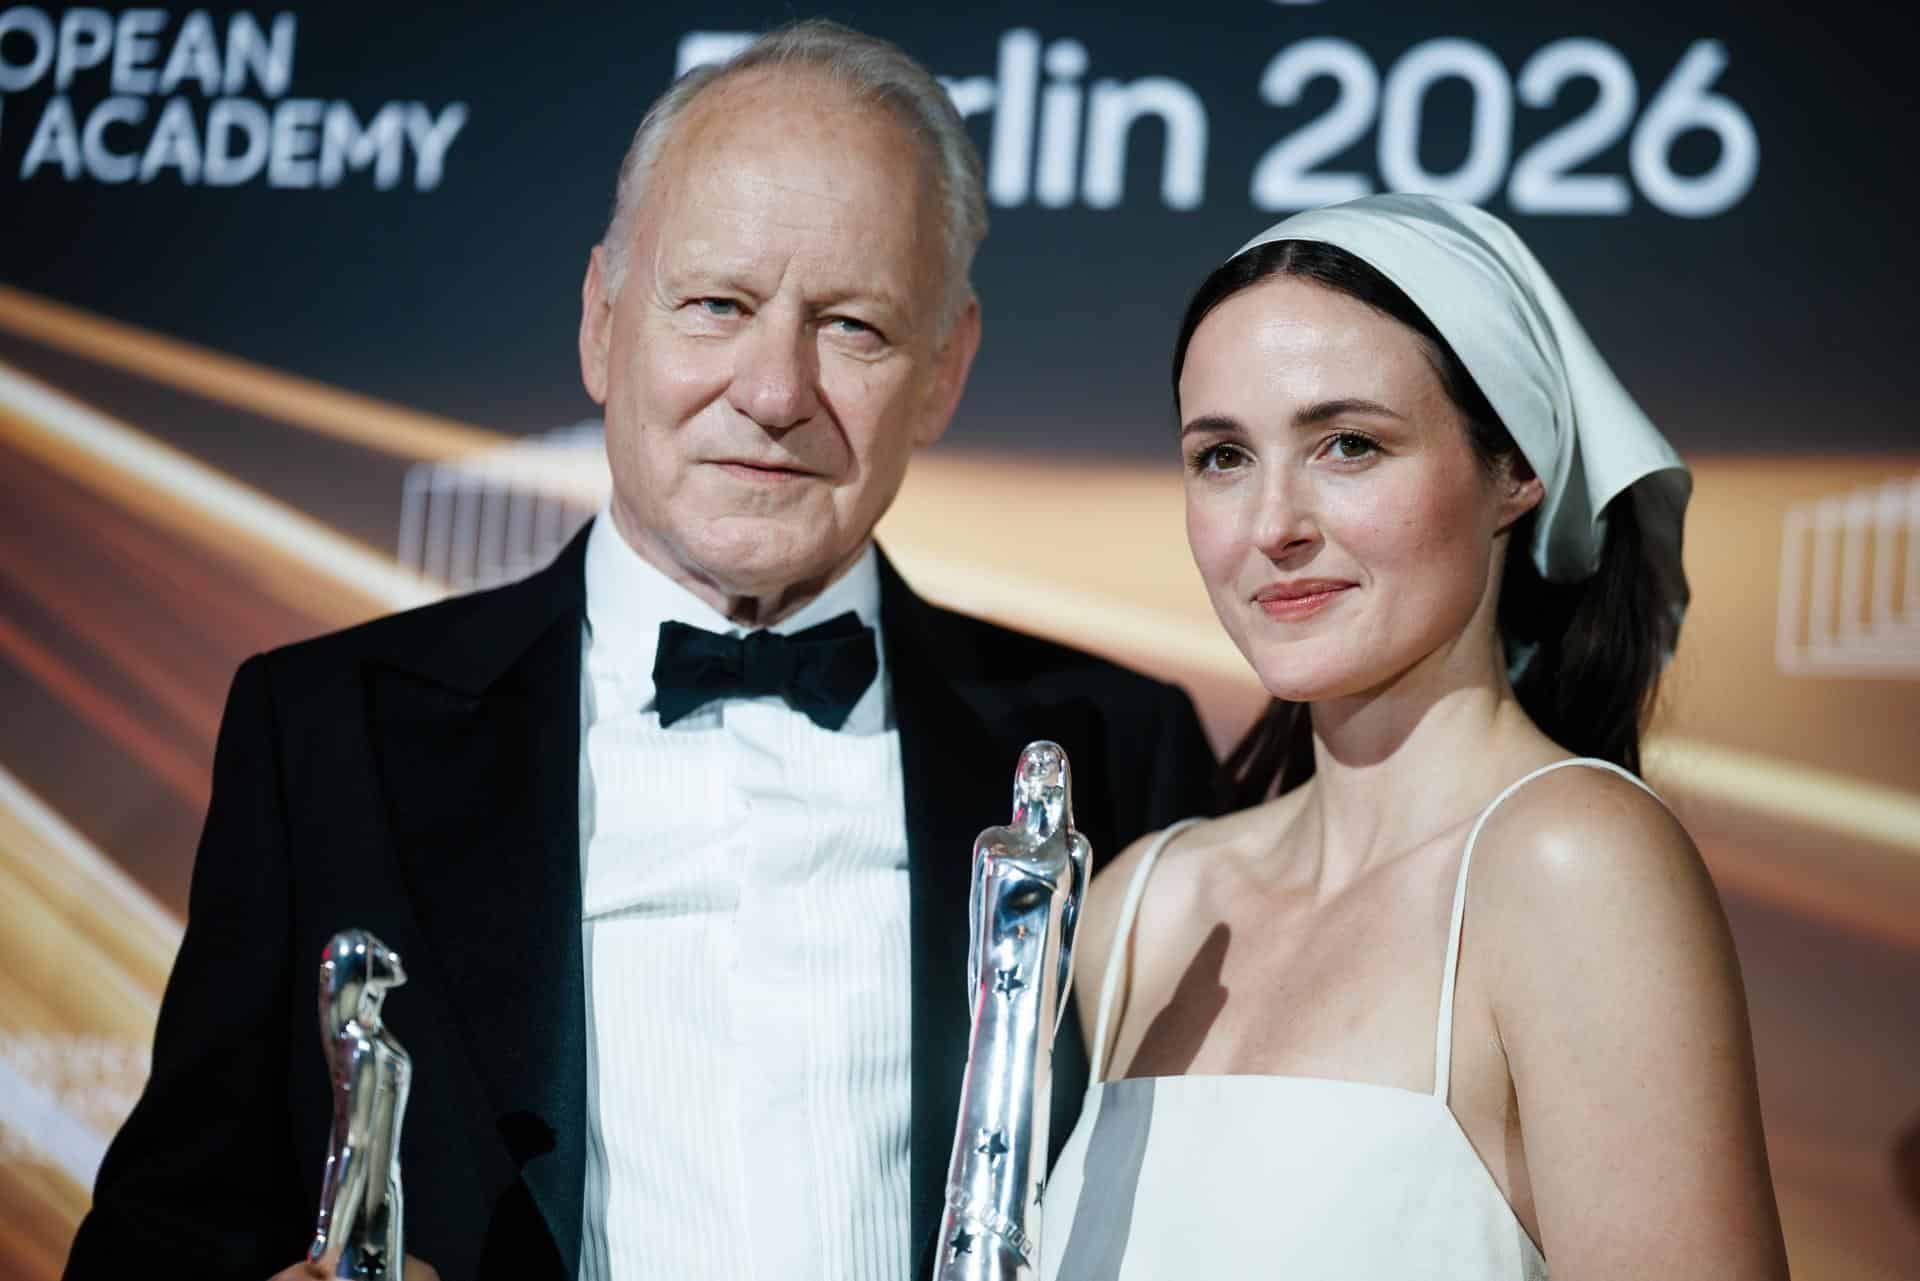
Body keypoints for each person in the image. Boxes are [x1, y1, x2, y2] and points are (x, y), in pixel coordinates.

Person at [63, 21, 1216, 1281]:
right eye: (717, 305)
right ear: (603, 323)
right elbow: (165, 1235)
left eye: (854, 329)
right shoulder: (331, 732)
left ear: (946, 370)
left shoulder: (1119, 749)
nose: (774, 391)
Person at [1039, 195, 1790, 1279]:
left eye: (1349, 445)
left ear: (1513, 471)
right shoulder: (1142, 908)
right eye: (1221, 457)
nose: (1273, 526)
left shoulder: (1570, 866)